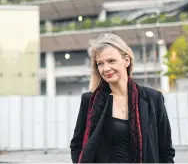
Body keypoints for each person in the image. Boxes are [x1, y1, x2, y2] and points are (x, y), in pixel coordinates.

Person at [70, 33, 175, 163]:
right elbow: (77, 146)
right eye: (100, 64)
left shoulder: (153, 99)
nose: (105, 68)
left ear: (127, 60)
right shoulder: (89, 101)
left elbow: (165, 151)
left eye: (111, 61)